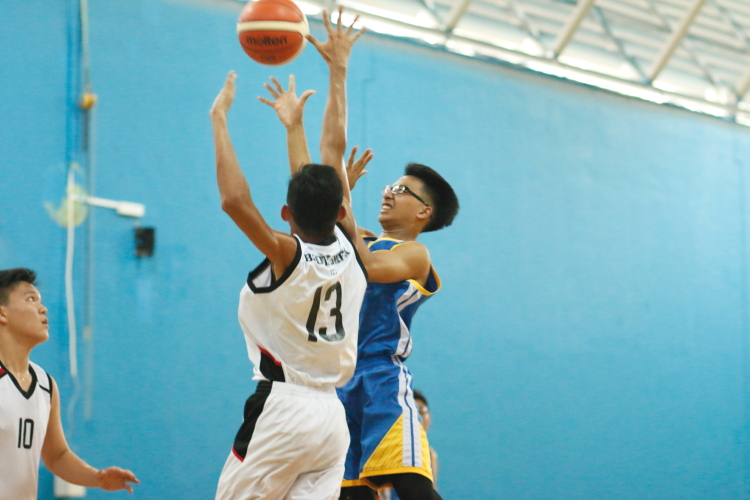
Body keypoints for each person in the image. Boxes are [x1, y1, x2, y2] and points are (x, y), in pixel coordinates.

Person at [266, 8, 458, 499]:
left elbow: (369, 268)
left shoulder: (414, 256)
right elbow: (324, 160)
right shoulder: (357, 239)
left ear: (424, 214)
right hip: (338, 389)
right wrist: (323, 88)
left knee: (415, 491)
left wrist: (343, 214)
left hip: (381, 381)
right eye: (390, 184)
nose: (389, 192)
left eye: (403, 191)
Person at [208, 12, 368, 499]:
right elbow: (330, 153)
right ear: (342, 207)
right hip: (331, 421)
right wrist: (336, 75)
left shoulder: (284, 252)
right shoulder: (350, 243)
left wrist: (219, 120)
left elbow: (235, 202)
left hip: (283, 411)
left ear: (285, 212)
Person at [0, 268, 139, 500]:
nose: (43, 309)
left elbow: (57, 456)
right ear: (2, 314)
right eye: (31, 299)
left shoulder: (46, 385)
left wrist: (96, 477)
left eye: (41, 301)